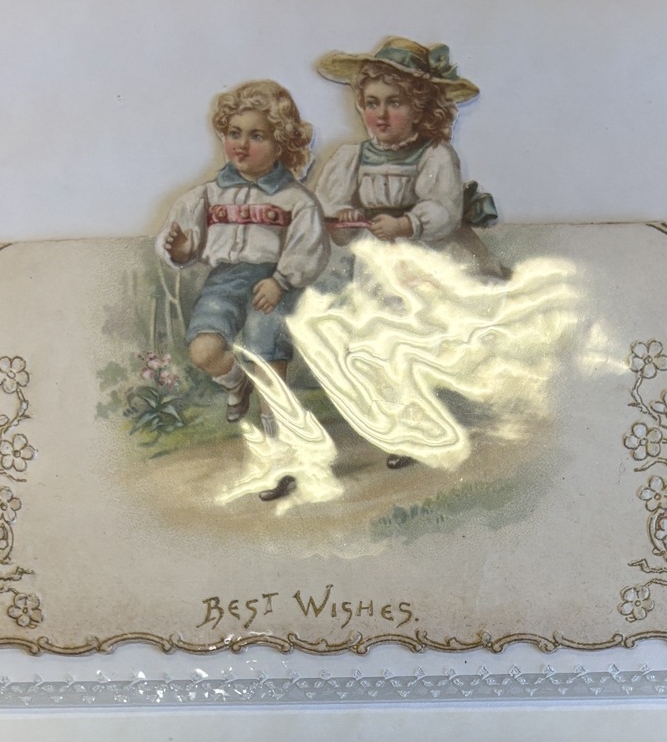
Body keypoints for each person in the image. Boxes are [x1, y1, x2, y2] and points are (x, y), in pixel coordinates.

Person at [311, 38, 501, 470]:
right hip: (377, 268)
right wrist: (343, 219)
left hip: (429, 260)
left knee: (423, 339)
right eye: (371, 103)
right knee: (379, 341)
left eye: (394, 103)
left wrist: (406, 224)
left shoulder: (435, 155)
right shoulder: (351, 157)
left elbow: (443, 208)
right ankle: (405, 429)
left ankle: (442, 419)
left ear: (419, 108)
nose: (380, 114)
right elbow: (328, 208)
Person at [155, 79, 330, 501]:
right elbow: (181, 241)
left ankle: (280, 462)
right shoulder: (207, 195)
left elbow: (309, 247)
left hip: (275, 282)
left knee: (267, 367)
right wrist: (181, 250)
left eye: (257, 136)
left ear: (281, 142)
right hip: (226, 280)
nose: (242, 144)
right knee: (204, 350)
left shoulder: (295, 199)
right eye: (235, 133)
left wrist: (281, 280)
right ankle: (236, 384)